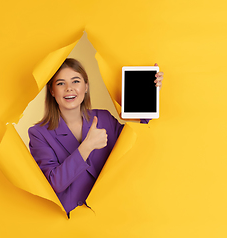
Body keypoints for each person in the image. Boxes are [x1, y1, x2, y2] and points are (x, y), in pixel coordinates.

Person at [28, 58, 163, 215]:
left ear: (86, 87)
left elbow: (133, 142)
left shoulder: (104, 118)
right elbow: (54, 184)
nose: (69, 88)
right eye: (60, 83)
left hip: (110, 215)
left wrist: (149, 94)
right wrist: (86, 147)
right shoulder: (39, 133)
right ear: (52, 90)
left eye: (75, 81)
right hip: (70, 223)